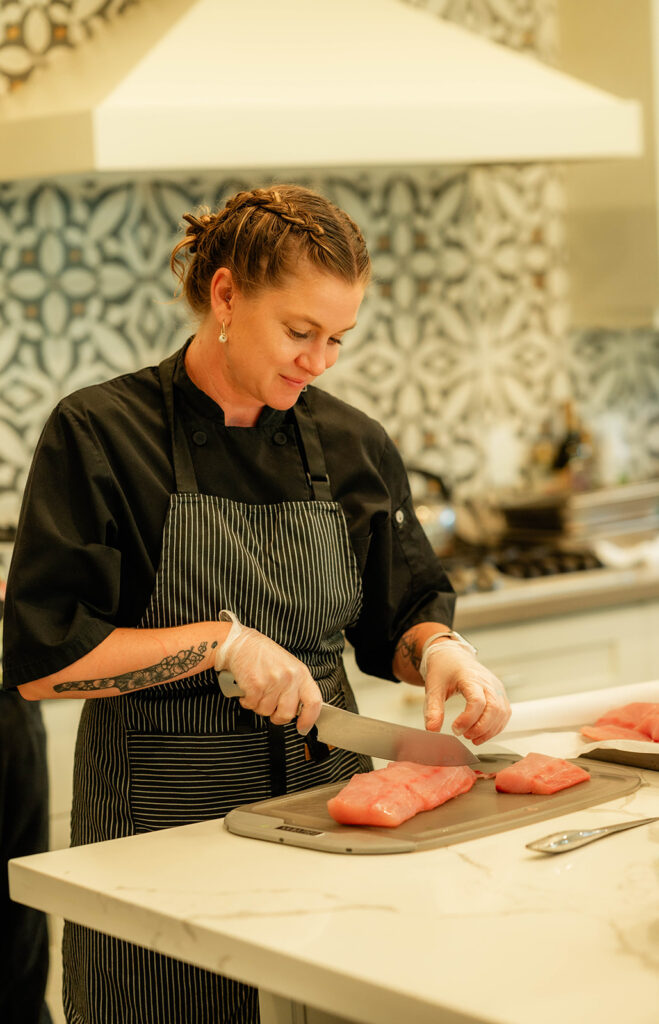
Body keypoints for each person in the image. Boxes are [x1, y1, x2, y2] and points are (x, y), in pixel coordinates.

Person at [2, 184, 511, 1024]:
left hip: (332, 820)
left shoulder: (352, 442)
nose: (319, 362)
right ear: (226, 295)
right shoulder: (101, 433)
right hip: (160, 836)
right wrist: (220, 643)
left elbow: (398, 617)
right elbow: (45, 663)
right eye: (299, 332)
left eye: (337, 339)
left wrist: (439, 649)